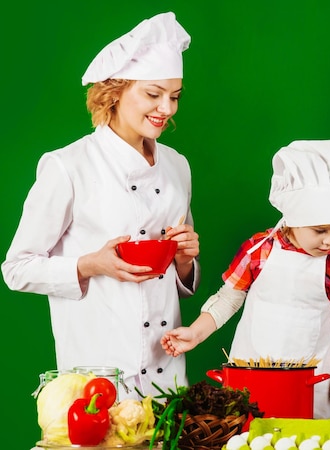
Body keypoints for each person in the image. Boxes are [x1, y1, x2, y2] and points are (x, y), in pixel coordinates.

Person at [2, 12, 200, 399]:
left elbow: (178, 280)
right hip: (97, 377)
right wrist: (90, 264)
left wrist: (185, 260)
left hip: (168, 379)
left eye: (174, 96)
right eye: (153, 93)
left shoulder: (177, 165)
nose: (167, 108)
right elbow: (16, 268)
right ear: (116, 91)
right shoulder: (67, 165)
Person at [161, 139, 330, 418]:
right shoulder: (260, 250)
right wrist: (194, 334)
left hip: (311, 387)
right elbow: (228, 299)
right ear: (293, 216)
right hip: (253, 380)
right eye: (320, 230)